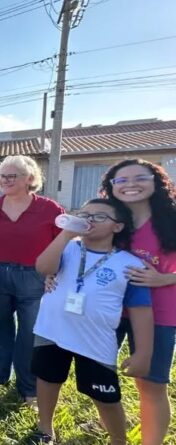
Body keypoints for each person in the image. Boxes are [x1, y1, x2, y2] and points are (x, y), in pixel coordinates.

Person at [31, 198, 154, 444]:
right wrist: (65, 236)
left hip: (94, 341)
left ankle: (119, 440)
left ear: (117, 227)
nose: (89, 219)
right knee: (47, 380)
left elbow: (141, 311)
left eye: (99, 216)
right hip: (51, 330)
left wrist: (143, 353)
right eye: (85, 214)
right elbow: (43, 267)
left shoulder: (130, 264)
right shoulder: (68, 248)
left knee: (105, 397)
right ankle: (45, 430)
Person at [0, 155, 64, 406]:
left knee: (30, 334)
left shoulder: (50, 209)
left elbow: (62, 243)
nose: (5, 180)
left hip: (35, 277)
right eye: (2, 176)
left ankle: (28, 387)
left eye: (12, 176)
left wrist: (54, 271)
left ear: (29, 179)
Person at [102, 159, 176, 445]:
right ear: (112, 187)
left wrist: (166, 279)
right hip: (109, 311)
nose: (130, 184)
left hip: (159, 313)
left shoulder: (170, 218)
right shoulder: (109, 219)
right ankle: (116, 436)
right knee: (102, 379)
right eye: (121, 180)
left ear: (156, 181)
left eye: (139, 178)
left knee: (151, 384)